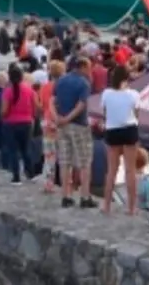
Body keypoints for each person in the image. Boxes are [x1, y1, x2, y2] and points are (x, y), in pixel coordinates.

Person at [51, 55, 94, 208]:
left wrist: (57, 118)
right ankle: (84, 196)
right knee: (84, 162)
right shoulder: (84, 83)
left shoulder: (60, 80)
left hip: (61, 125)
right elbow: (81, 105)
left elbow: (52, 101)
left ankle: (65, 196)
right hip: (78, 125)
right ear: (82, 67)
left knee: (64, 161)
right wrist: (68, 118)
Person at [99, 64, 139, 215]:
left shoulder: (106, 94)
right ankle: (131, 207)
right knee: (130, 170)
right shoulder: (133, 94)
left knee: (112, 170)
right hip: (129, 129)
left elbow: (105, 112)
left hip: (112, 130)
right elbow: (136, 114)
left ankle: (106, 205)